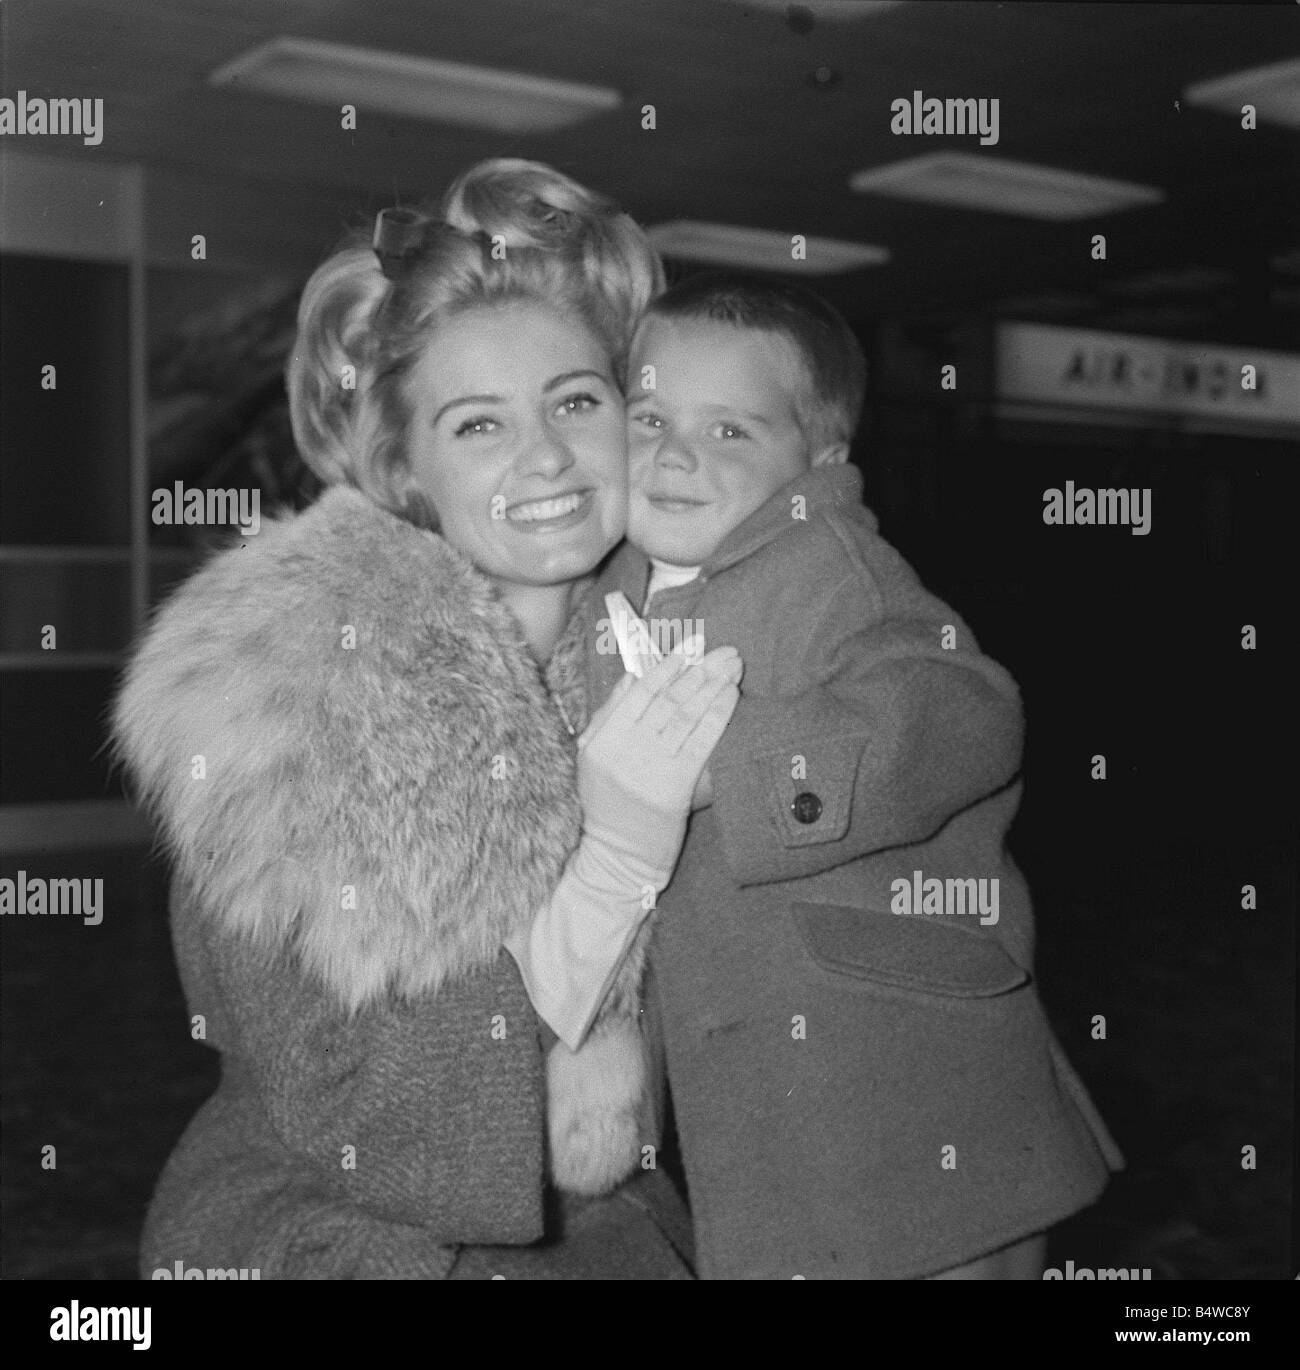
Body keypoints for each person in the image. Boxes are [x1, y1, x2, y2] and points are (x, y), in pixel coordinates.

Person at [112, 160, 741, 1280]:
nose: (543, 455)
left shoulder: (664, 637)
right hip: (345, 1237)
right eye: (478, 425)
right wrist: (620, 856)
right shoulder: (300, 694)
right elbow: (375, 1113)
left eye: (575, 400)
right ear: (404, 470)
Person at [576, 272, 1126, 1279]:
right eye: (649, 414)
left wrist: (730, 764)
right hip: (773, 1115)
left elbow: (966, 712)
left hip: (913, 1108)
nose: (675, 451)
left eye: (731, 430)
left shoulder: (833, 568)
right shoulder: (618, 578)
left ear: (819, 459)